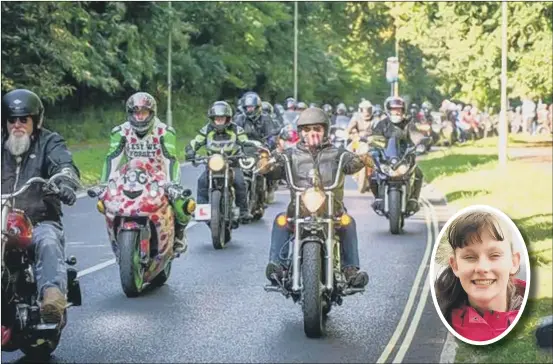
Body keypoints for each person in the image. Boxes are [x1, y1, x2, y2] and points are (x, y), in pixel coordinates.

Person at [258, 108, 372, 288]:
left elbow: (353, 164)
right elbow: (272, 170)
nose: (312, 133)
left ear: (325, 130)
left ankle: (350, 271)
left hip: (331, 209)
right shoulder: (290, 155)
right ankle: (278, 268)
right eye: (307, 129)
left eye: (317, 129)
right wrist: (265, 165)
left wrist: (364, 157)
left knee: (348, 222)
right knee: (280, 221)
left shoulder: (338, 154)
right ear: (301, 132)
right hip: (299, 209)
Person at [1, 89, 81, 324]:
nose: (17, 125)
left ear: (35, 121)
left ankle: (52, 299)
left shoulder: (49, 142)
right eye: (11, 120)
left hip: (38, 219)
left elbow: (65, 165)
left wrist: (65, 181)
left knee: (47, 240)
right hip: (2, 220)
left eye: (23, 119)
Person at [100, 92, 194, 254]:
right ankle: (118, 237)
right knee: (107, 203)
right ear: (130, 114)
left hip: (158, 178)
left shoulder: (164, 132)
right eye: (136, 113)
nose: (140, 118)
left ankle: (179, 233)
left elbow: (170, 159)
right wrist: (104, 184)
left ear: (152, 113)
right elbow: (112, 158)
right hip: (130, 177)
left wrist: (172, 184)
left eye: (144, 113)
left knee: (181, 203)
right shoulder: (121, 132)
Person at [435, 210, 525, 342]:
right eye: (470, 257)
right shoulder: (443, 322)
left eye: (494, 255)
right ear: (455, 266)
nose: (482, 268)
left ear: (514, 262)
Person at [185, 101, 253, 222]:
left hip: (232, 163)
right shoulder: (207, 129)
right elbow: (196, 141)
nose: (220, 121)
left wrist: (248, 149)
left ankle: (243, 211)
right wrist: (190, 150)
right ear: (212, 119)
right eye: (217, 118)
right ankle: (202, 210)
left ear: (228, 118)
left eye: (222, 118)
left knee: (240, 182)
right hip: (212, 164)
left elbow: (244, 141)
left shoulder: (236, 129)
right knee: (201, 182)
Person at [370, 96, 424, 214]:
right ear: (388, 110)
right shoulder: (382, 124)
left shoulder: (408, 124)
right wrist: (370, 143)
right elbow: (374, 138)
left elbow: (416, 135)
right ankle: (378, 198)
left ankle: (414, 199)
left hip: (404, 158)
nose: (397, 111)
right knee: (373, 175)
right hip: (387, 158)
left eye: (399, 109)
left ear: (403, 110)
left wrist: (420, 142)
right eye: (394, 109)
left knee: (418, 173)